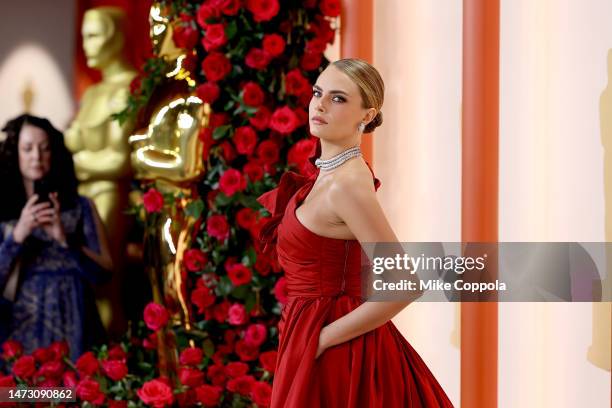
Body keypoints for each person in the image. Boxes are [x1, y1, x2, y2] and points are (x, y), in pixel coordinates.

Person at [257, 59, 454, 407]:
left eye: (338, 98)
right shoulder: (330, 172)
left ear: (367, 114)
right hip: (315, 333)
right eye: (318, 93)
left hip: (340, 349)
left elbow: (404, 284)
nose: (319, 104)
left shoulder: (347, 184)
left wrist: (321, 339)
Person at [0, 114, 112, 361]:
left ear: (54, 152)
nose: (36, 157)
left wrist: (65, 240)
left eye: (44, 148)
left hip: (76, 321)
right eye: (27, 149)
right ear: (14, 152)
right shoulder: (4, 211)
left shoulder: (80, 207)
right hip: (21, 325)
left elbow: (105, 275)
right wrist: (18, 234)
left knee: (74, 394)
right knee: (25, 396)